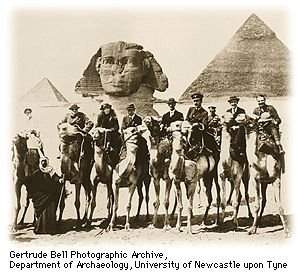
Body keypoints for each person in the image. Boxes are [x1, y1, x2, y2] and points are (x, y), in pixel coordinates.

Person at [24, 157, 63, 234]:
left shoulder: (50, 170)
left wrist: (59, 180)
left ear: (47, 162)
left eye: (45, 161)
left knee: (51, 206)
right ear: (40, 162)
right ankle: (41, 229)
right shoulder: (37, 172)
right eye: (42, 161)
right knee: (42, 212)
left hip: (49, 194)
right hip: (41, 196)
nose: (43, 163)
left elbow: (55, 177)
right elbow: (31, 180)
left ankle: (51, 229)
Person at [95, 102, 121, 168]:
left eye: (108, 108)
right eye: (105, 109)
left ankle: (116, 160)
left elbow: (117, 126)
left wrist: (111, 130)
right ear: (103, 110)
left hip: (112, 134)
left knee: (118, 140)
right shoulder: (100, 116)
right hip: (103, 134)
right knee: (95, 141)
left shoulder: (113, 116)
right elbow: (97, 125)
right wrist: (101, 129)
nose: (107, 110)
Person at [225, 96, 247, 163]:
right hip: (231, 129)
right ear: (230, 103)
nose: (233, 104)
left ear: (237, 102)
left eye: (234, 102)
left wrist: (236, 126)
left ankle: (238, 147)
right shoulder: (228, 111)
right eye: (232, 102)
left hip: (239, 129)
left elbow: (242, 121)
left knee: (241, 129)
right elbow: (227, 122)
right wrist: (230, 127)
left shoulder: (241, 110)